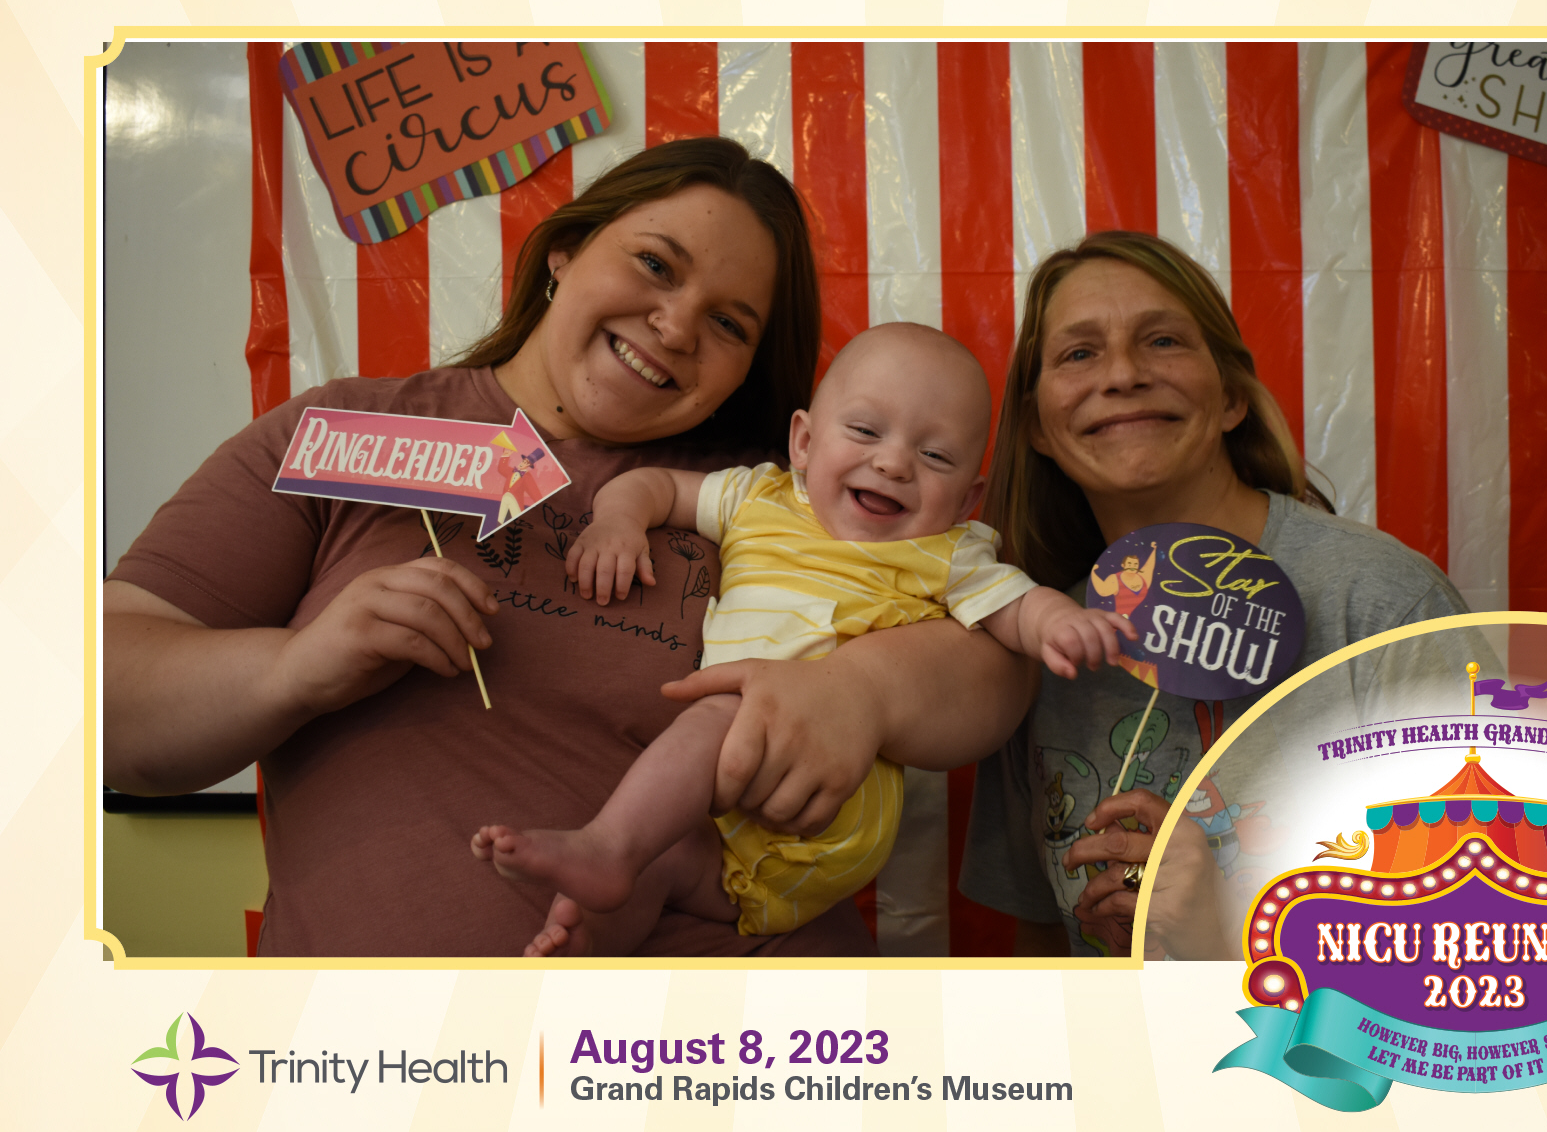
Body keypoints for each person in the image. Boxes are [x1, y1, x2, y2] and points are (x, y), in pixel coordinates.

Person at [104, 137, 1035, 958]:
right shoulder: (346, 432)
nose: (675, 326)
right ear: (561, 254)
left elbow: (1001, 665)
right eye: (655, 265)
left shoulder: (794, 491)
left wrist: (863, 693)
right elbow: (98, 704)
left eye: (729, 323)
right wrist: (294, 669)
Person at [470, 323, 1135, 954]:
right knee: (663, 866)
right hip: (728, 825)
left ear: (967, 499)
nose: (895, 462)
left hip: (827, 802)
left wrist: (1058, 622)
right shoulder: (758, 496)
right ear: (805, 443)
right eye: (866, 430)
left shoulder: (946, 553)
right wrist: (618, 520)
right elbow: (655, 488)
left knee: (731, 709)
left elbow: (1013, 609)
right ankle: (587, 935)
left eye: (934, 456)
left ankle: (607, 845)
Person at [958, 230, 1486, 960]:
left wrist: (1225, 938)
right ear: (1040, 427)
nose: (1122, 376)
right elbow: (1043, 944)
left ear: (1233, 397)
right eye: (1079, 353)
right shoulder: (1038, 645)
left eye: (1164, 341)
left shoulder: (1382, 606)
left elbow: (1498, 951)